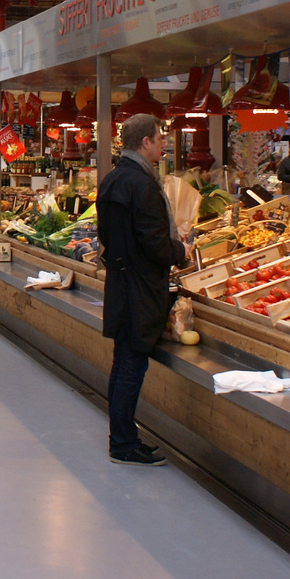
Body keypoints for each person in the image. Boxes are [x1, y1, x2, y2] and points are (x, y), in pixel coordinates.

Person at [97, 113, 185, 467]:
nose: (164, 143)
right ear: (145, 142)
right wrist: (181, 251)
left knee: (122, 363)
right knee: (132, 365)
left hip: (120, 282)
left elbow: (106, 236)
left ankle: (121, 435)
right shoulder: (143, 185)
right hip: (140, 287)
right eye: (160, 138)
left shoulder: (111, 180)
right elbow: (155, 244)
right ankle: (123, 443)